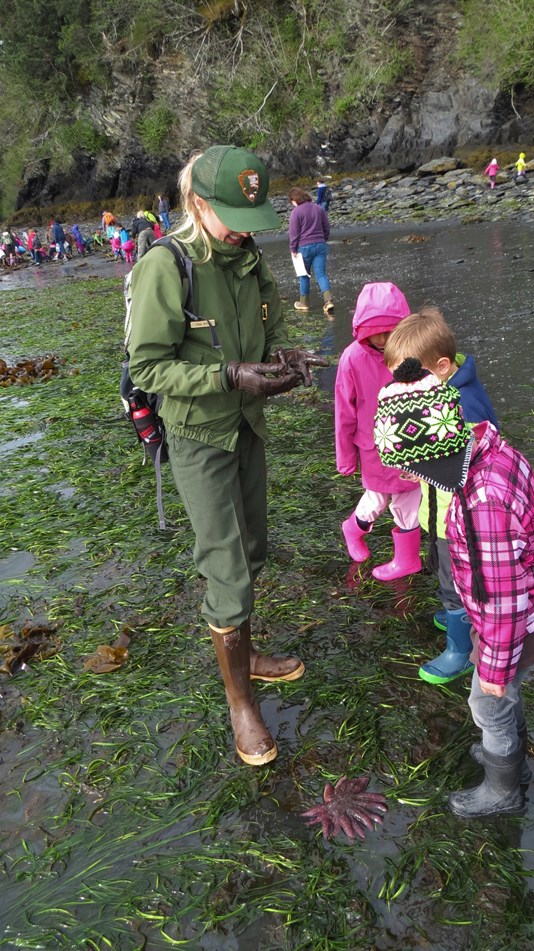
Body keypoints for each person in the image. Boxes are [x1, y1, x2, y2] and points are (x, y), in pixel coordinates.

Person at [127, 145, 328, 767]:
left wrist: (284, 357)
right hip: (199, 437)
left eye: (251, 213)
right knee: (227, 569)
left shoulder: (249, 258)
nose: (245, 227)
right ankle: (240, 701)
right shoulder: (168, 265)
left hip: (246, 428)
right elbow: (149, 365)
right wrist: (228, 375)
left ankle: (245, 653)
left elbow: (265, 330)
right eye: (233, 214)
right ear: (196, 203)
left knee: (255, 550)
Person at [374, 363, 534, 818]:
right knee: (506, 692)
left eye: (415, 468)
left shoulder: (483, 502)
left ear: (435, 453)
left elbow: (504, 604)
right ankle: (513, 756)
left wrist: (494, 671)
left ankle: (504, 789)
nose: (416, 477)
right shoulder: (487, 449)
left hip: (522, 618)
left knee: (487, 700)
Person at [385, 308, 498, 684]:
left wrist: (425, 463)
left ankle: (461, 650)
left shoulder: (463, 405)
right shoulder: (439, 391)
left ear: (443, 365)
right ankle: (455, 614)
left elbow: (471, 462)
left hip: (459, 517)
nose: (402, 386)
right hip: (438, 510)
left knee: (457, 581)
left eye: (409, 376)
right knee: (447, 572)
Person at [335, 283, 422, 581]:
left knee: (410, 496)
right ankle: (353, 528)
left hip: (412, 441)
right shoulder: (352, 358)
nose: (384, 340)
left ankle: (407, 558)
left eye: (392, 331)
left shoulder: (415, 351)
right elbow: (344, 412)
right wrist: (346, 457)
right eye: (377, 332)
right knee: (377, 498)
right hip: (375, 447)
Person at [288, 186, 334, 315]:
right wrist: (322, 239)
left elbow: (294, 233)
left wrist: (293, 248)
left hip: (304, 247)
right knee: (321, 274)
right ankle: (328, 301)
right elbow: (327, 227)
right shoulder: (318, 208)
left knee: (304, 275)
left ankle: (304, 302)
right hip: (320, 245)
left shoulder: (296, 212)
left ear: (294, 199)